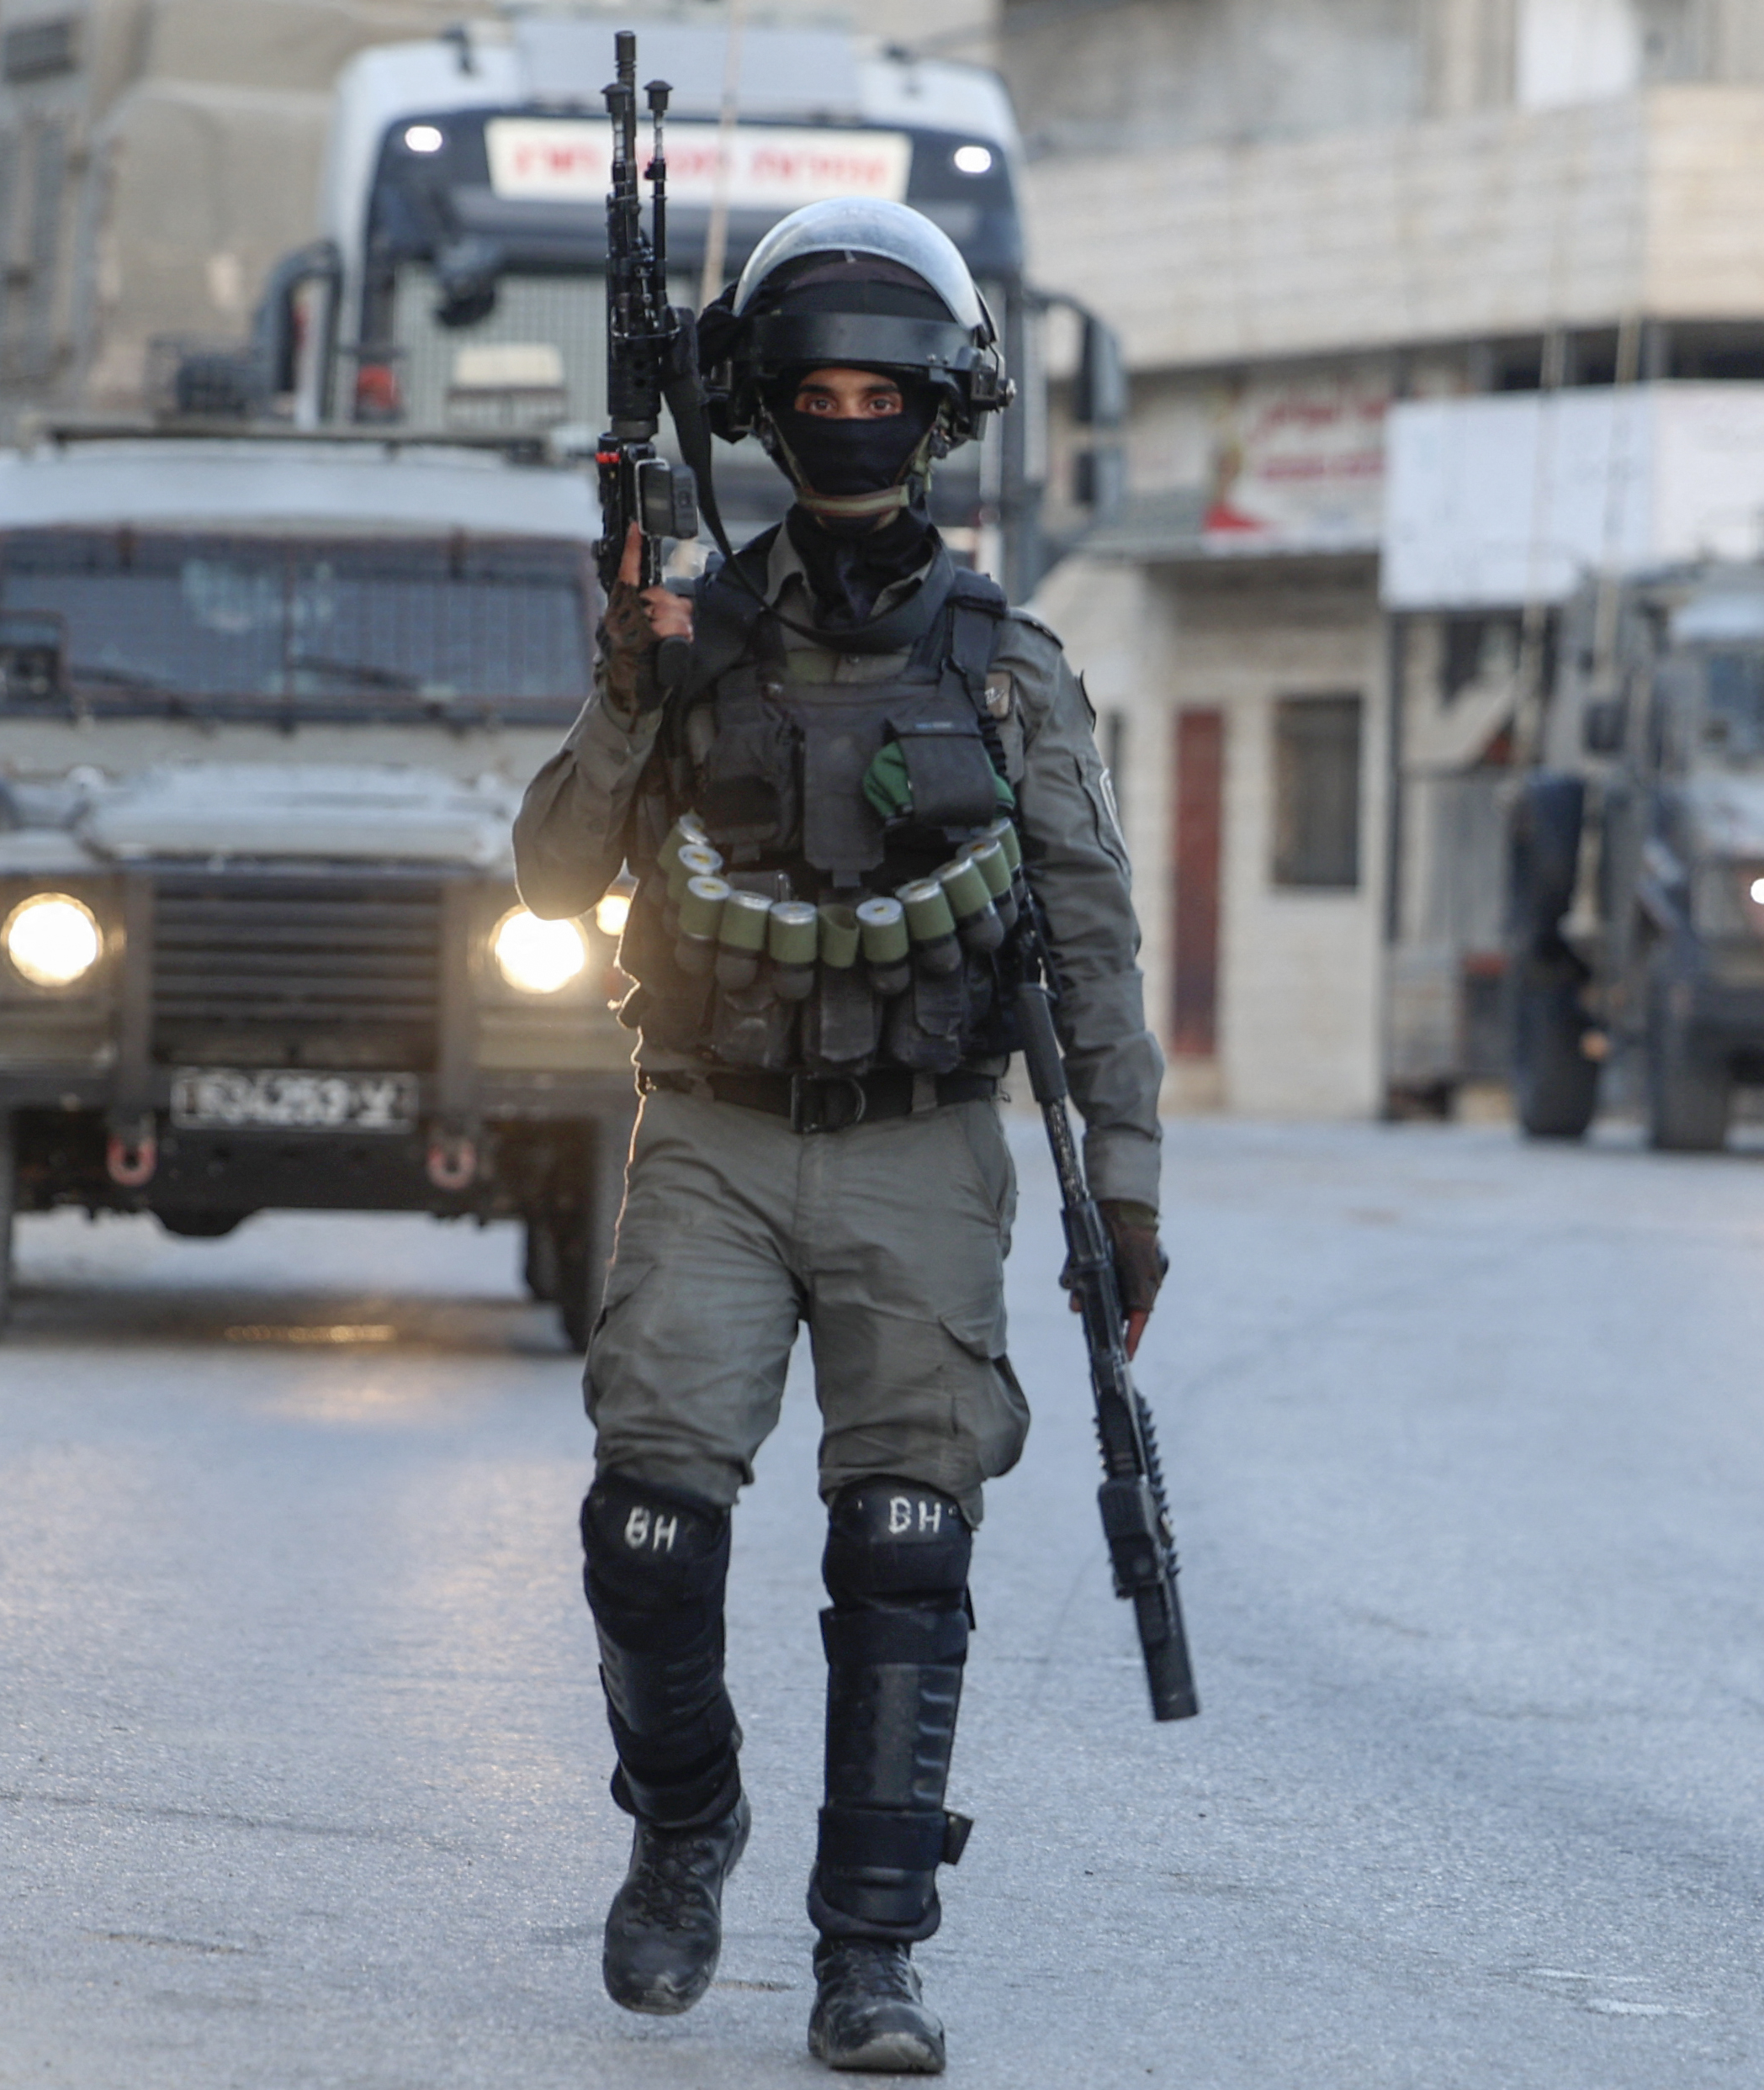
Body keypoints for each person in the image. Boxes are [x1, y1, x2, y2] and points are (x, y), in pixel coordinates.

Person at [511, 197, 1167, 2074]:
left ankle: (868, 1954)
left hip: (920, 1147)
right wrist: (630, 681)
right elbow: (554, 872)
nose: (854, 416)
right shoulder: (686, 638)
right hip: (711, 1130)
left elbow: (1094, 941)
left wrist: (1122, 1183)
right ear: (773, 410)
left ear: (939, 412)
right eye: (824, 388)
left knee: (903, 1538)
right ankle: (682, 1819)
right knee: (649, 1520)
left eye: (888, 387)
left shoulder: (1005, 664)